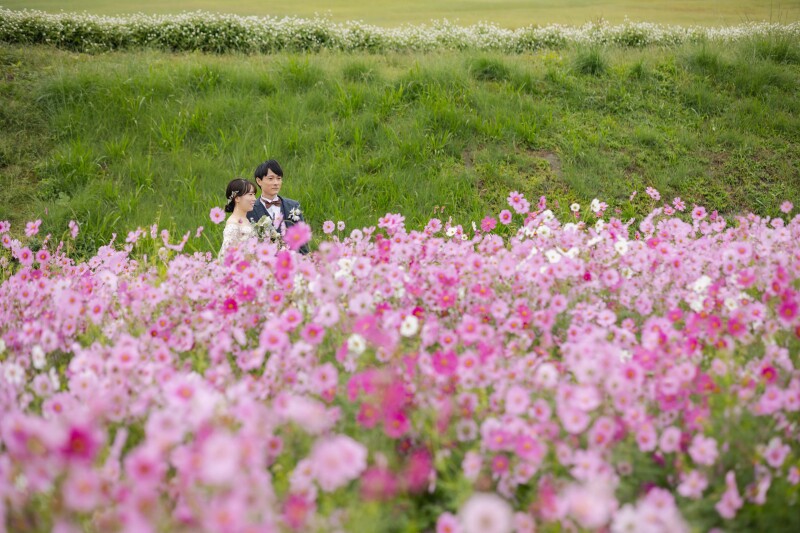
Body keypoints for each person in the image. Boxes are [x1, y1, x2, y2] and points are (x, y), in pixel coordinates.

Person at [247, 159, 309, 255]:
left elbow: (302, 242)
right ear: (259, 181)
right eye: (271, 179)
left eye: (279, 178)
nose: (276, 183)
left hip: (292, 263)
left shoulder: (293, 206)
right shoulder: (250, 209)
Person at [219, 178, 257, 259]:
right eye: (250, 194)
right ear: (237, 198)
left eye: (254, 194)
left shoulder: (247, 220)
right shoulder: (233, 223)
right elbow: (227, 254)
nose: (254, 199)